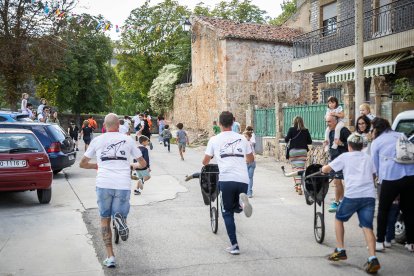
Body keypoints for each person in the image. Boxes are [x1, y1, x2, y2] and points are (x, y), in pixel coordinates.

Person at [79, 113, 146, 268]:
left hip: (104, 183)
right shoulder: (128, 140)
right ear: (118, 125)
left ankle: (110, 257)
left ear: (105, 126)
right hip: (122, 184)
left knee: (104, 219)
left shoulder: (97, 140)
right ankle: (120, 218)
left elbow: (82, 163)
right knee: (120, 212)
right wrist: (131, 165)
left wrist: (97, 166)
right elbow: (142, 163)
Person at [322, 133, 380, 274]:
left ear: (349, 146)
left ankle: (340, 249)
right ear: (362, 146)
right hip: (369, 196)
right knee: (367, 227)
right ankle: (373, 258)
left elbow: (326, 169)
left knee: (339, 218)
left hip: (353, 195)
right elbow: (373, 174)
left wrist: (322, 169)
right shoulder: (368, 158)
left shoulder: (345, 157)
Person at [202, 111, 254, 255]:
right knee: (236, 206)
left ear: (219, 123)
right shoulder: (243, 139)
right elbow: (250, 159)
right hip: (243, 179)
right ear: (234, 122)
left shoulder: (214, 140)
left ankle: (235, 245)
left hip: (226, 179)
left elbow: (205, 161)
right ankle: (242, 204)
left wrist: (214, 157)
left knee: (227, 213)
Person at [370, 117, 414, 252]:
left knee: (383, 210)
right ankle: (411, 243)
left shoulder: (377, 142)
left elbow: (374, 166)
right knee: (409, 210)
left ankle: (380, 242)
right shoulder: (400, 135)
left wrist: (376, 179)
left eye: (372, 129)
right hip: (410, 176)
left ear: (376, 129)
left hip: (390, 178)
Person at [326, 115, 351, 213]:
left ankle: (338, 202)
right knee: (337, 182)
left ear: (336, 121)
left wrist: (341, 143)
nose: (327, 124)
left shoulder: (343, 130)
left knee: (338, 182)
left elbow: (352, 143)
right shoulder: (330, 131)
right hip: (334, 160)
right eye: (327, 121)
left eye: (329, 122)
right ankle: (341, 202)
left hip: (343, 160)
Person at [284, 116, 312, 195]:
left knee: (295, 169)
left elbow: (286, 140)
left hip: (293, 152)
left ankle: (298, 186)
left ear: (294, 122)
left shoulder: (291, 129)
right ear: (302, 122)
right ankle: (298, 186)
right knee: (300, 169)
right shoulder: (305, 130)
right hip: (302, 152)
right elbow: (309, 141)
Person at [244, 131, 256, 198]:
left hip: (247, 162)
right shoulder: (251, 144)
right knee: (250, 178)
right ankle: (249, 192)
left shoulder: (244, 144)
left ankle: (248, 192)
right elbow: (254, 153)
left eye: (246, 136)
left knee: (247, 178)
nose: (245, 138)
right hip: (252, 162)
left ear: (249, 137)